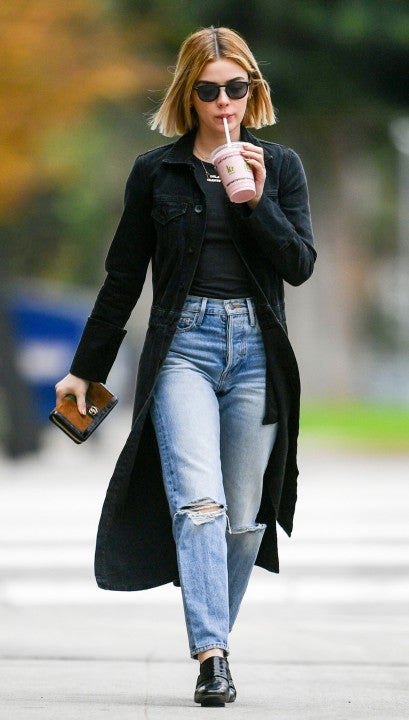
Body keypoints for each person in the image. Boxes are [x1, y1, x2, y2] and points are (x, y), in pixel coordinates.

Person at [55, 26, 316, 707]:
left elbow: (299, 265)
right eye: (208, 90)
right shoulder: (156, 172)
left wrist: (256, 201)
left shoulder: (280, 166)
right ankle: (212, 656)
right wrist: (85, 369)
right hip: (183, 349)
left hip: (257, 353)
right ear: (187, 94)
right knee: (200, 506)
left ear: (253, 91)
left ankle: (213, 631)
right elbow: (122, 279)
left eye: (237, 88)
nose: (224, 102)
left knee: (244, 519)